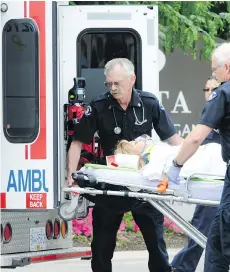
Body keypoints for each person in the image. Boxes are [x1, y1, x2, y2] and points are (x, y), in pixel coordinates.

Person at [66, 58, 182, 272]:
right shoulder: (99, 106)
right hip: (111, 183)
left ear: (132, 80)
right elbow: (76, 142)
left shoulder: (149, 103)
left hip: (143, 182)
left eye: (117, 83)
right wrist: (71, 176)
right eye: (108, 84)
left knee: (156, 245)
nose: (112, 88)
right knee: (101, 245)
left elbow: (173, 139)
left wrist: (185, 164)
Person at [166, 43, 230, 272]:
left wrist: (175, 165)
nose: (213, 74)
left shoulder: (223, 93)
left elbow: (194, 138)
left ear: (227, 67)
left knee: (219, 245)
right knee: (216, 243)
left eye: (215, 69)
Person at [170, 77, 221, 272]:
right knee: (201, 226)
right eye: (206, 89)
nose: (209, 93)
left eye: (213, 89)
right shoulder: (208, 119)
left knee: (205, 227)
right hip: (209, 182)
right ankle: (182, 267)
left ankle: (183, 266)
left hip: (219, 182)